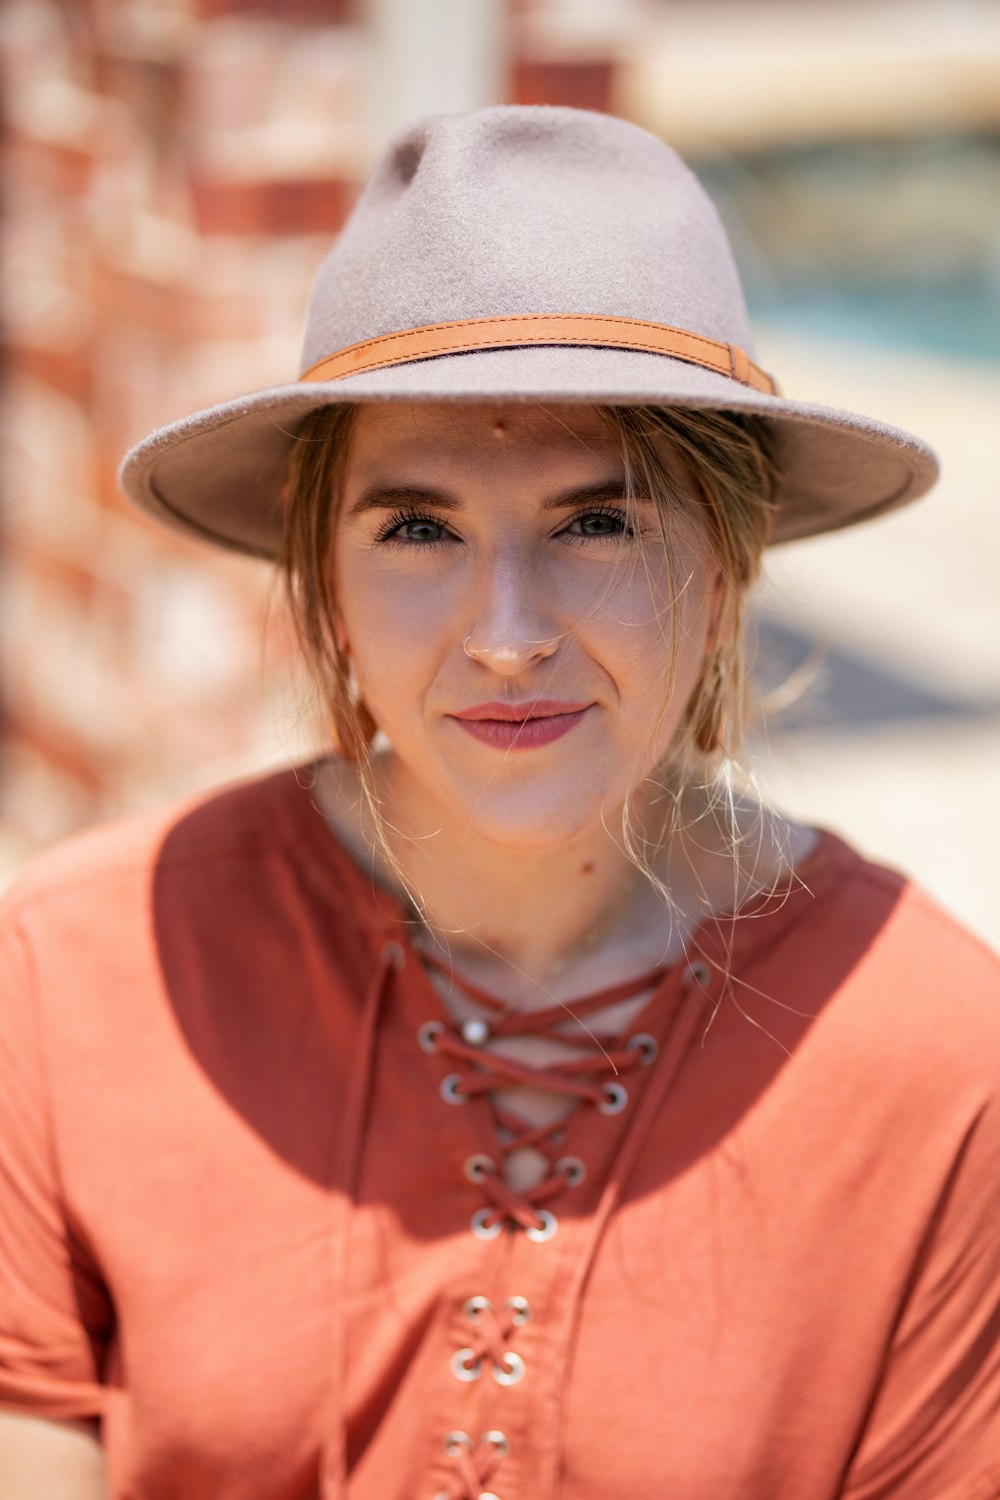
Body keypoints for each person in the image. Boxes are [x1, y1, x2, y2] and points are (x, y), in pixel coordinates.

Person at [1, 105, 998, 1500]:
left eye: (600, 520)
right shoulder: (78, 977)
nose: (509, 633)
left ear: (730, 566)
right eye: (417, 528)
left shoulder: (941, 1060)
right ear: (323, 583)